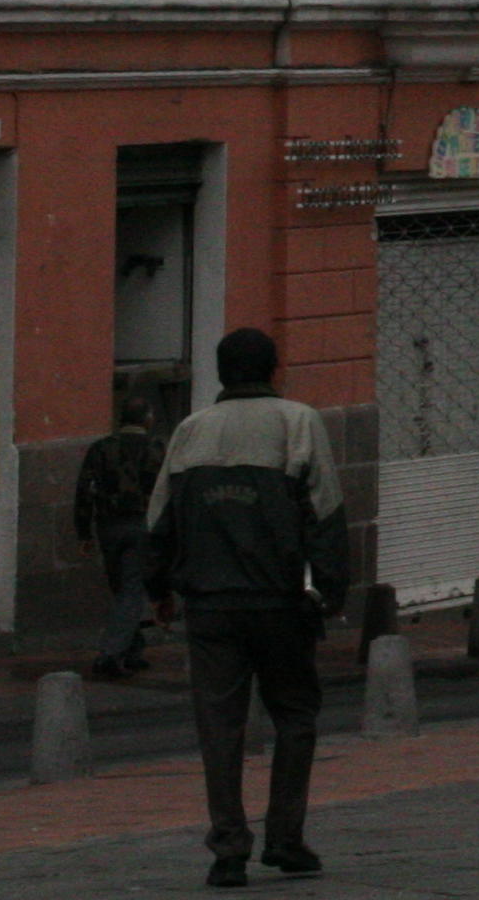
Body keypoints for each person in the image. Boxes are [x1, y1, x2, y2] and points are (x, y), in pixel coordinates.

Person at [145, 328, 347, 888]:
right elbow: (325, 514)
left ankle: (228, 848)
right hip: (279, 602)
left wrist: (156, 588)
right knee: (296, 716)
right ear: (274, 370)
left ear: (220, 373)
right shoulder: (298, 422)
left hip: (209, 606)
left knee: (220, 726)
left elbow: (159, 522)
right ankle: (285, 837)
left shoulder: (190, 432)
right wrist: (330, 591)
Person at [74, 399, 165, 681]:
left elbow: (84, 490)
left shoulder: (101, 448)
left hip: (108, 526)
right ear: (147, 419)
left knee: (122, 586)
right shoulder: (156, 449)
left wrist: (84, 531)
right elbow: (167, 490)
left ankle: (133, 648)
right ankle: (111, 654)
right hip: (142, 525)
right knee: (131, 588)